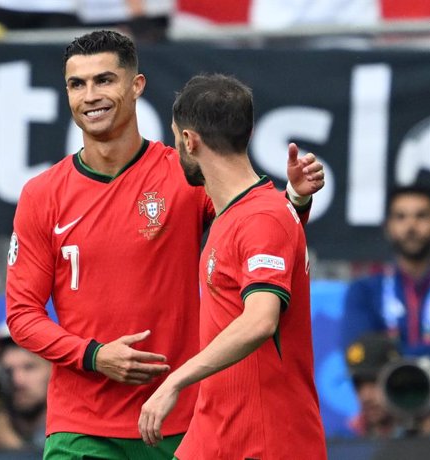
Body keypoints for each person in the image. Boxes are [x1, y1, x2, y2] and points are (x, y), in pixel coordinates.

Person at [5, 30, 324, 458]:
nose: (90, 95)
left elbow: (256, 228)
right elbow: (22, 315)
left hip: (177, 423)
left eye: (104, 80)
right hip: (81, 426)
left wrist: (296, 200)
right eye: (76, 84)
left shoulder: (183, 174)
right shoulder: (42, 195)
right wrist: (94, 356)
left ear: (136, 86)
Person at [138, 73, 327, 459]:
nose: (175, 152)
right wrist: (295, 200)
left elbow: (260, 321)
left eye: (175, 140)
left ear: (190, 140)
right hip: (218, 434)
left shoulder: (261, 217)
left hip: (266, 442)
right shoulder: (246, 214)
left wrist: (176, 381)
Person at [341, 185, 430, 357]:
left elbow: (377, 355)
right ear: (388, 227)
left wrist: (392, 354)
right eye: (400, 217)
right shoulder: (364, 291)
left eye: (421, 216)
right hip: (384, 383)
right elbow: (360, 356)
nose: (411, 226)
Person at [344, 333, 401, 438]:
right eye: (358, 385)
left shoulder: (424, 435)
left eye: (374, 382)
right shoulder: (345, 444)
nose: (366, 396)